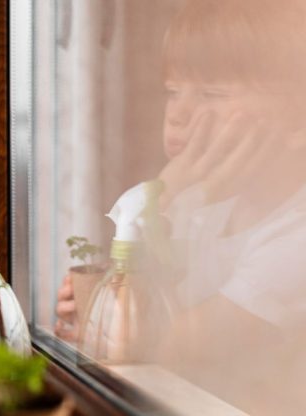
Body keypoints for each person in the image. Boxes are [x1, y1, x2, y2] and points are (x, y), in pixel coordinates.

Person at [56, 0, 306, 353]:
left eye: (212, 94)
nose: (177, 114)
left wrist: (167, 187)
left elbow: (169, 348)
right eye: (172, 92)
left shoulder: (297, 239)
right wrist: (94, 313)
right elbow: (133, 314)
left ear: (297, 120)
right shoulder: (201, 209)